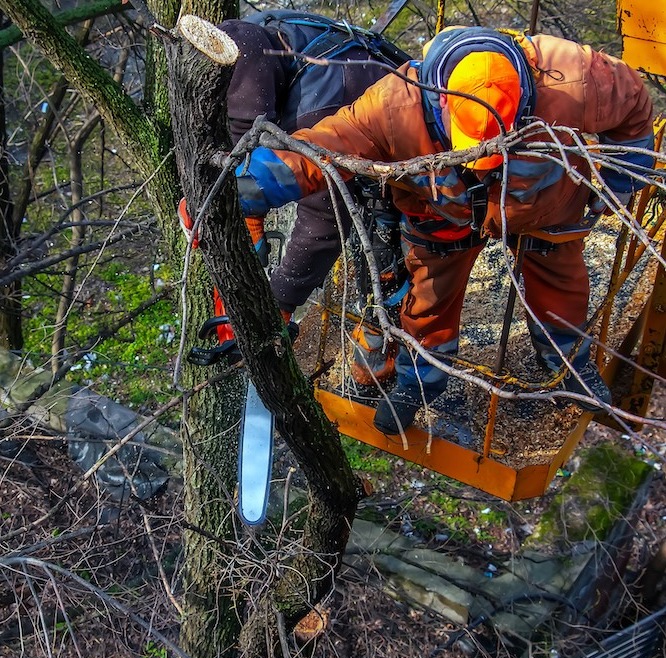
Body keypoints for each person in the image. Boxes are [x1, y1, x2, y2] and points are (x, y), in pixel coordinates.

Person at [233, 25, 655, 434]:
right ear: (443, 108)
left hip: (546, 205)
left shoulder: (573, 77)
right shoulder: (395, 104)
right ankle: (419, 385)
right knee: (430, 302)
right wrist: (249, 187)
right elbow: (326, 145)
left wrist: (623, 180)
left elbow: (636, 106)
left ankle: (569, 366)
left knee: (562, 284)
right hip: (442, 213)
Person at [179, 10, 409, 385]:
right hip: (358, 107)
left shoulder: (315, 109)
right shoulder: (258, 39)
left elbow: (326, 219)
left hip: (403, 156)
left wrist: (282, 299)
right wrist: (236, 209)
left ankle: (385, 347)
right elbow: (240, 145)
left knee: (384, 244)